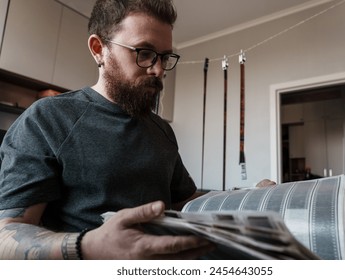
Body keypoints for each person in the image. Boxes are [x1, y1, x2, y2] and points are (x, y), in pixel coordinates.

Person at [0, 0, 215, 260]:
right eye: (144, 52)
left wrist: (245, 197)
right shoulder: (48, 119)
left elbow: (186, 200)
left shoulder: (161, 130)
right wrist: (88, 245)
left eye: (165, 57)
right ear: (98, 49)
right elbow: (7, 236)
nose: (158, 70)